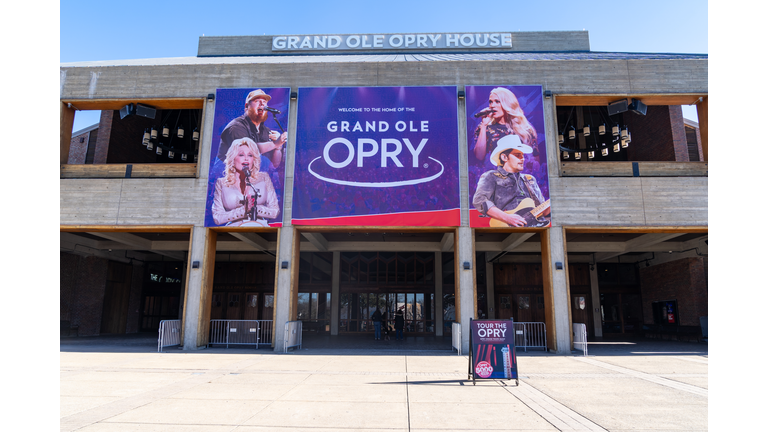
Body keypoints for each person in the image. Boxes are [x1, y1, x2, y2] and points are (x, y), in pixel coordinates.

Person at [472, 134, 550, 227]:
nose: (523, 158)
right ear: (504, 157)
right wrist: (507, 218)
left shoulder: (530, 179)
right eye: (517, 155)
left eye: (522, 155)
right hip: (506, 227)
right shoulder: (491, 176)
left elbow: (543, 210)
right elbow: (479, 200)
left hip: (533, 228)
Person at [212, 137, 280, 226]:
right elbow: (217, 217)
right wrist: (243, 210)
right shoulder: (222, 183)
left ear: (254, 159)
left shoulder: (264, 178)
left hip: (259, 228)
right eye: (241, 155)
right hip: (233, 231)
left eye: (250, 155)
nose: (246, 159)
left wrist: (254, 208)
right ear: (233, 158)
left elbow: (275, 211)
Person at [217, 89, 288, 172]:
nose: (262, 104)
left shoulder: (265, 131)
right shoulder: (236, 127)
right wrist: (275, 144)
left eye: (264, 102)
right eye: (257, 101)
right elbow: (248, 150)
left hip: (251, 178)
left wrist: (278, 148)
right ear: (247, 106)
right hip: (227, 178)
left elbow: (273, 165)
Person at [472, 87, 537, 162]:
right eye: (490, 102)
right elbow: (479, 156)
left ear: (507, 103)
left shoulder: (525, 129)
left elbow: (535, 160)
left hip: (519, 172)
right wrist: (483, 125)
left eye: (497, 101)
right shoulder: (484, 127)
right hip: (494, 172)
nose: (492, 105)